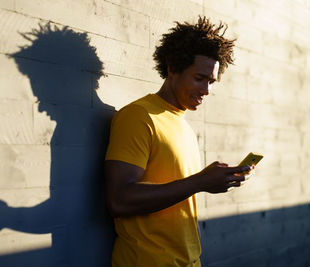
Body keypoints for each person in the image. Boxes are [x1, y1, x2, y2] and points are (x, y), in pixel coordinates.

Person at [104, 16, 252, 267]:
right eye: (199, 78)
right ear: (172, 68)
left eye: (211, 81)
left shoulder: (182, 125)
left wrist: (210, 180)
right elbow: (119, 199)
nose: (206, 90)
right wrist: (202, 181)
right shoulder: (139, 116)